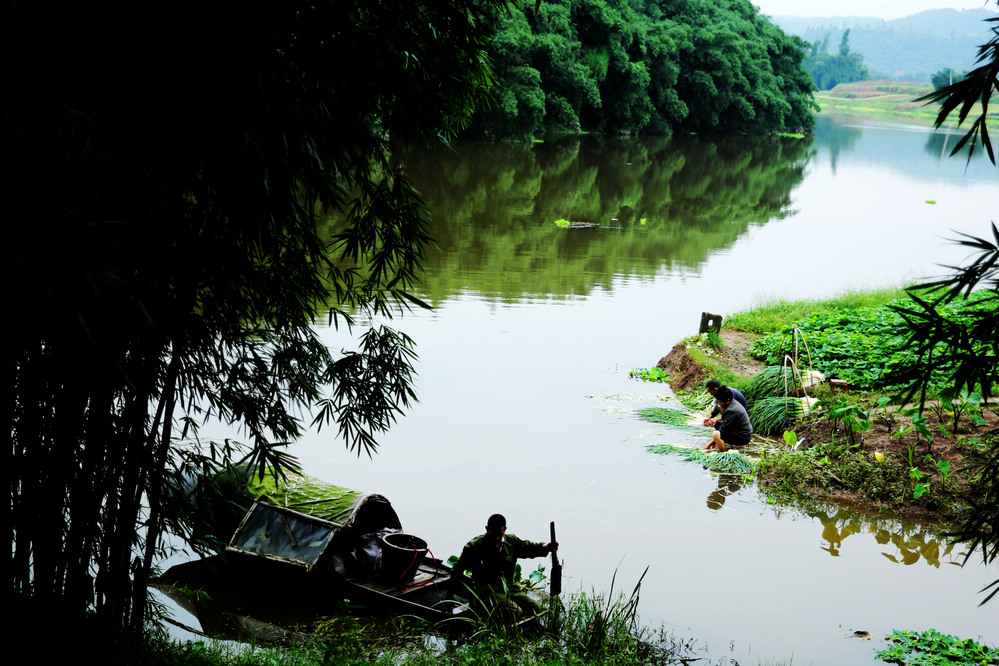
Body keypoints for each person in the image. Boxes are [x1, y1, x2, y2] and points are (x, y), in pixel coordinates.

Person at [445, 513, 557, 620]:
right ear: (486, 529)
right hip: (487, 592)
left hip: (510, 589)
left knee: (536, 608)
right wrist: (449, 594)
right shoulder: (474, 546)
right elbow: (457, 570)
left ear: (505, 530)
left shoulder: (511, 541)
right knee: (515, 612)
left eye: (500, 534)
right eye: (493, 534)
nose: (497, 538)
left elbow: (528, 548)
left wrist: (546, 547)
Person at [702, 386, 753, 452]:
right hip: (738, 430)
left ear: (728, 400)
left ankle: (724, 453)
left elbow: (723, 429)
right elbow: (726, 418)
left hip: (743, 437)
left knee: (716, 434)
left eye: (721, 402)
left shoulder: (732, 410)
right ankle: (721, 444)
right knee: (717, 424)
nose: (720, 404)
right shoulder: (732, 402)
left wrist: (708, 445)